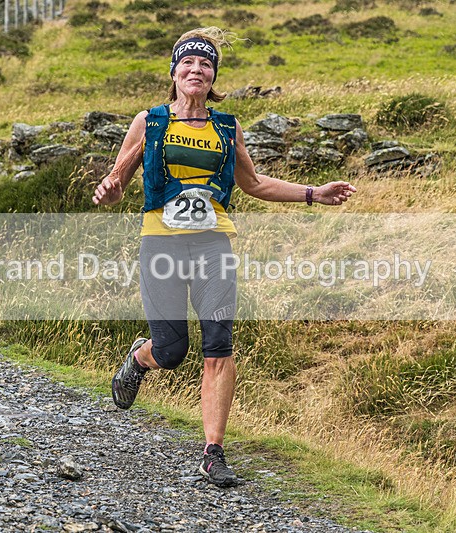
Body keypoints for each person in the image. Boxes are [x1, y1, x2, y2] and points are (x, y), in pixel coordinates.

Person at [92, 26, 356, 487]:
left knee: (219, 343)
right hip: (161, 244)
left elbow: (254, 184)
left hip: (214, 243)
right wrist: (110, 190)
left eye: (206, 64)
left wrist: (314, 192)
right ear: (174, 72)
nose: (197, 70)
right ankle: (140, 359)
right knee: (172, 351)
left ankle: (213, 452)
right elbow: (116, 186)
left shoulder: (226, 126)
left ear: (213, 77)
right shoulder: (149, 122)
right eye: (188, 63)